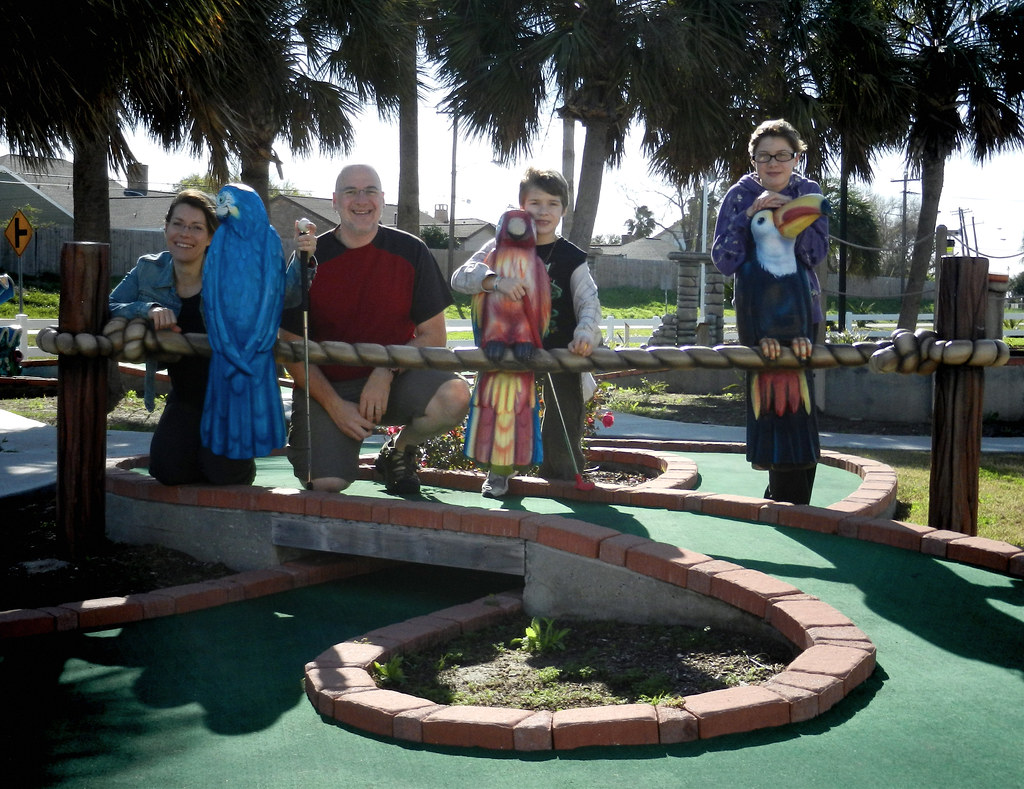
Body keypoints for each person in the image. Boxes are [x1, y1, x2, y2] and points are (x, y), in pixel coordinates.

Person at [282, 164, 470, 495]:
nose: (361, 199)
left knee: (454, 397)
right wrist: (335, 407)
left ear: (383, 200)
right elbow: (291, 344)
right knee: (326, 483)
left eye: (370, 191)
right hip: (329, 387)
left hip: (396, 381)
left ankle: (397, 451)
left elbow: (433, 337)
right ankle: (332, 443)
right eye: (351, 191)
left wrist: (385, 370)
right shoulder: (308, 258)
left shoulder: (412, 251)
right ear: (335, 201)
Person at [451, 167, 603, 497]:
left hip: (559, 352)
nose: (543, 211)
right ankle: (499, 473)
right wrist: (494, 281)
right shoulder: (500, 244)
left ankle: (563, 477)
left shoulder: (572, 257)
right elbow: (461, 277)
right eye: (535, 202)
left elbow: (589, 301)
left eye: (552, 203)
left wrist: (586, 333)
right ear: (521, 204)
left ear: (563, 209)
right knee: (504, 404)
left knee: (565, 412)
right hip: (508, 348)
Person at [711, 118, 829, 504]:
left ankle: (794, 496)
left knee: (800, 399)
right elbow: (725, 260)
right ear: (753, 161)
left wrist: (793, 214)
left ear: (796, 158)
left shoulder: (807, 191)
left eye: (782, 155)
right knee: (767, 397)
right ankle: (776, 484)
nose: (773, 164)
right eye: (764, 157)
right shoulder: (740, 194)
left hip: (802, 313)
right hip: (756, 315)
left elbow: (814, 255)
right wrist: (750, 218)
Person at [109, 189, 256, 486]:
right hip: (185, 396)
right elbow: (107, 305)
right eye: (178, 224)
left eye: (197, 227)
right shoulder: (149, 268)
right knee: (167, 470)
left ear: (211, 237)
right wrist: (147, 308)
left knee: (223, 473)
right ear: (166, 228)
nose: (185, 234)